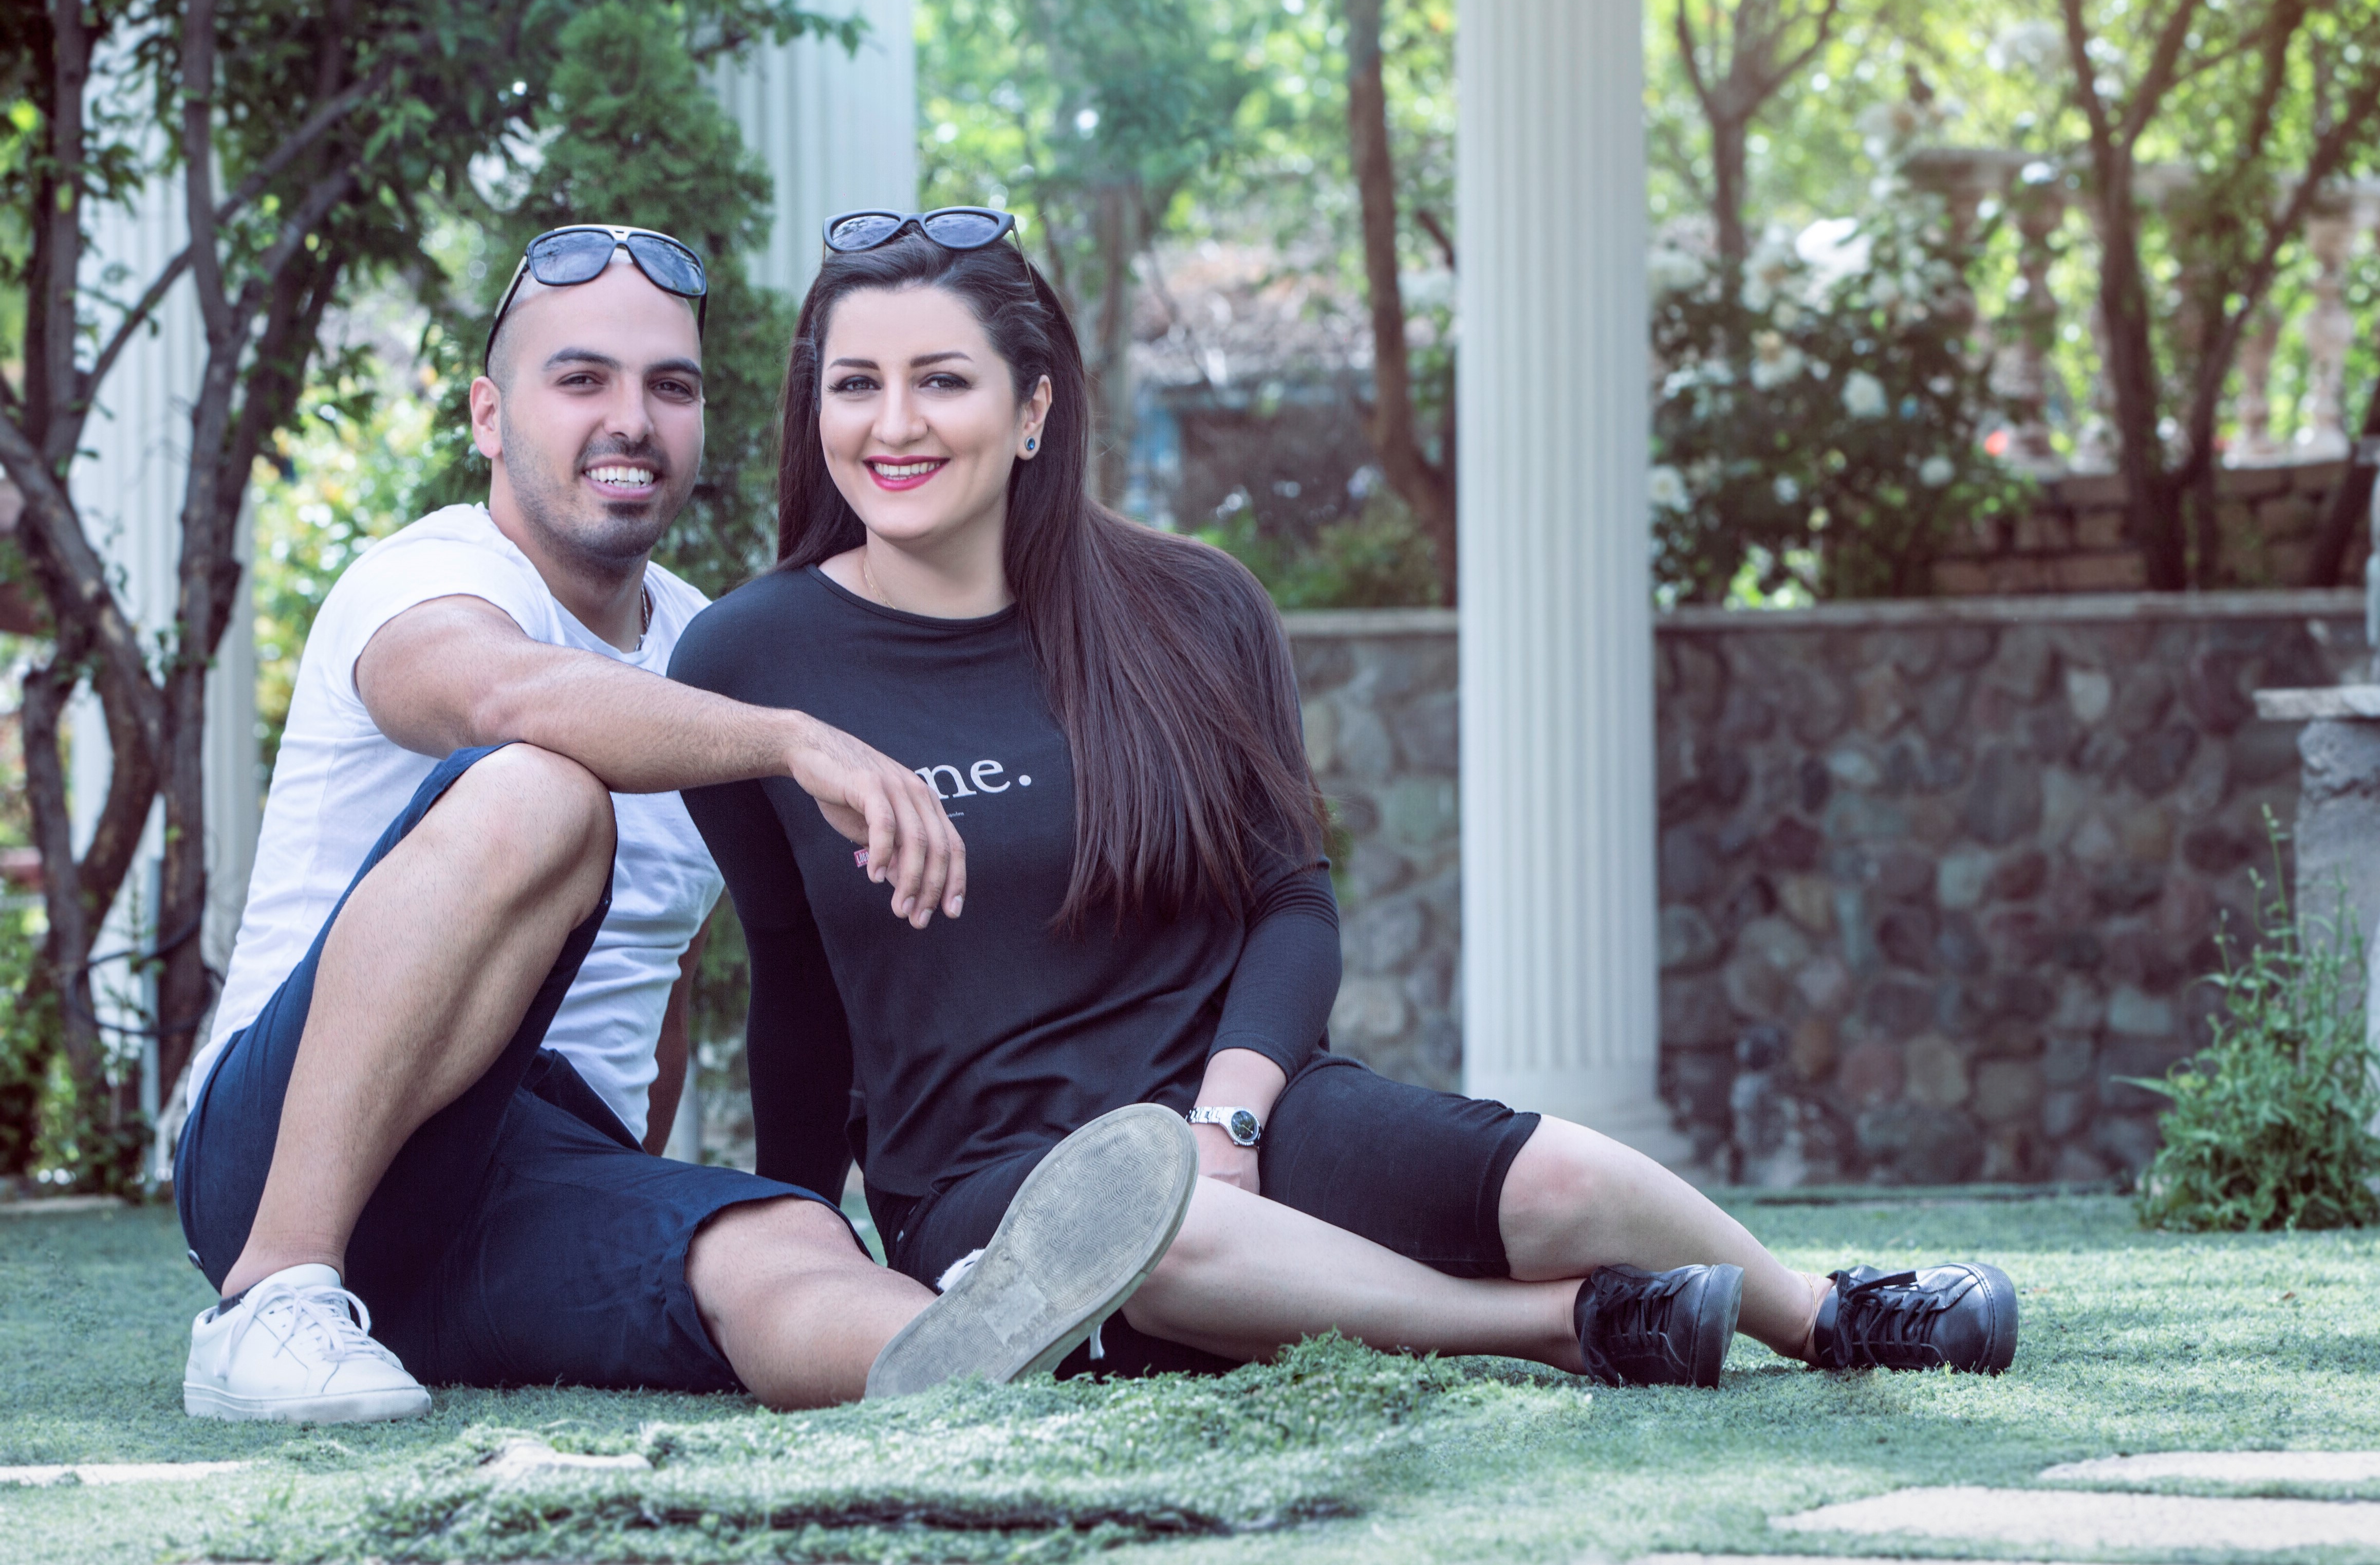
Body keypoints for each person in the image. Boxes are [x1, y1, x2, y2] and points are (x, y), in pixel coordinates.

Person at [673, 208, 2020, 1394]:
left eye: (939, 380)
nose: (892, 424)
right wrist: (806, 1238)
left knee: (1549, 1177)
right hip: (989, 1188)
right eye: (855, 384)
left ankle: (1823, 1311)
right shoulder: (748, 663)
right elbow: (794, 981)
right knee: (1149, 1234)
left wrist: (1228, 1120)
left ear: (1032, 408)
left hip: (1235, 1112)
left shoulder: (1193, 606)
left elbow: (1290, 902)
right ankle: (1563, 1325)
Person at [174, 223, 1199, 1425]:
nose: (632, 420)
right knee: (544, 790)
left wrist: (658, 1188)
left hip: (526, 1179)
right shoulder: (423, 581)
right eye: (581, 379)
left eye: (671, 387)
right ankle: (268, 1298)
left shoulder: (710, 651)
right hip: (276, 1153)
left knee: (785, 1236)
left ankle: (994, 1338)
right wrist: (790, 738)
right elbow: (503, 697)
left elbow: (661, 976)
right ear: (488, 417)